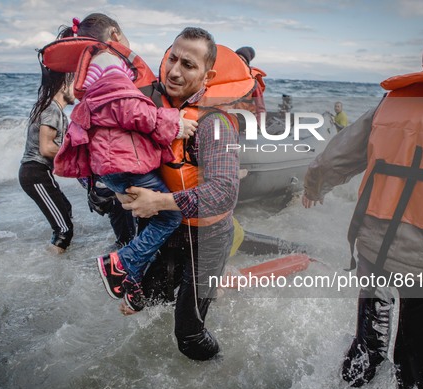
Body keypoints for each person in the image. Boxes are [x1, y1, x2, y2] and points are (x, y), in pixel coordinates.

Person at [302, 30, 423, 389]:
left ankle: (350, 383)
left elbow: (336, 156)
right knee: (418, 367)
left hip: (376, 243)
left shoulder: (392, 102)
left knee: (368, 346)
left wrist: (314, 187)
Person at [51, 14, 197, 312]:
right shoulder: (110, 65)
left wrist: (106, 183)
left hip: (113, 170)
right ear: (115, 34)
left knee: (146, 227)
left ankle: (130, 283)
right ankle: (122, 263)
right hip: (127, 167)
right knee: (168, 218)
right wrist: (176, 124)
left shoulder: (92, 77)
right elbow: (133, 111)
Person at [120, 27, 242, 361]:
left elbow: (224, 192)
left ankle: (222, 369)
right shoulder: (149, 109)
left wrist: (156, 202)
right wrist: (119, 192)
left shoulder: (215, 123)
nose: (174, 71)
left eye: (188, 65)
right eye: (172, 58)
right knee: (149, 303)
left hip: (209, 237)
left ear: (208, 74)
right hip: (169, 230)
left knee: (188, 334)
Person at [19, 74, 75, 253]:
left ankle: (64, 260)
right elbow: (46, 148)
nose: (80, 89)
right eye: (76, 84)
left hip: (39, 172)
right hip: (35, 172)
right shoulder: (52, 109)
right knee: (64, 230)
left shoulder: (55, 110)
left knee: (66, 209)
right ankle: (47, 272)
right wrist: (76, 155)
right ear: (64, 86)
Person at [235, 46, 267, 117]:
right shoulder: (225, 78)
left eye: (242, 60)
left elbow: (260, 108)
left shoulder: (254, 82)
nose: (239, 62)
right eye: (236, 59)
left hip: (244, 121)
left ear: (246, 64)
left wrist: (258, 126)